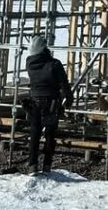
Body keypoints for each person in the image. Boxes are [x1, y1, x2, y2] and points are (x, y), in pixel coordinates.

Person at [25, 34, 73, 174]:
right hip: (50, 103)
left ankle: (32, 166)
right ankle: (47, 166)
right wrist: (68, 100)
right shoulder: (54, 64)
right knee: (50, 135)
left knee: (34, 134)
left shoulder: (29, 63)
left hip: (34, 102)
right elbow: (64, 84)